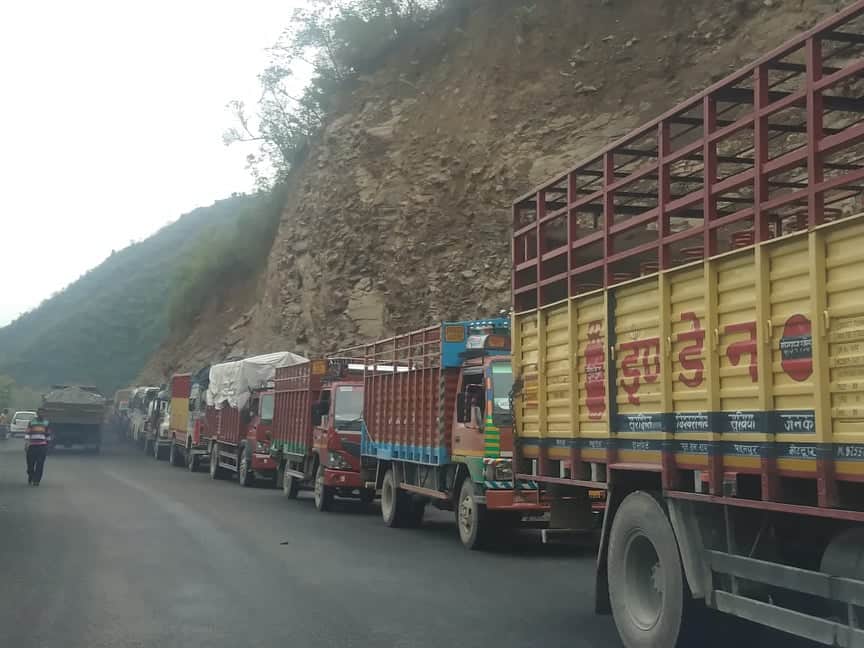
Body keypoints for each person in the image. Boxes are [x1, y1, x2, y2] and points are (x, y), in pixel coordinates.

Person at [25, 408, 51, 486]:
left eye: (43, 413)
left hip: (42, 446)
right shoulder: (32, 422)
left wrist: (48, 445)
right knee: (30, 464)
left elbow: (48, 435)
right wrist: (26, 443)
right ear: (37, 413)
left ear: (45, 414)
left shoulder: (47, 423)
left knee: (40, 464)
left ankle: (37, 480)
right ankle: (31, 475)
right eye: (39, 413)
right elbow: (27, 433)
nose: (41, 414)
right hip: (32, 446)